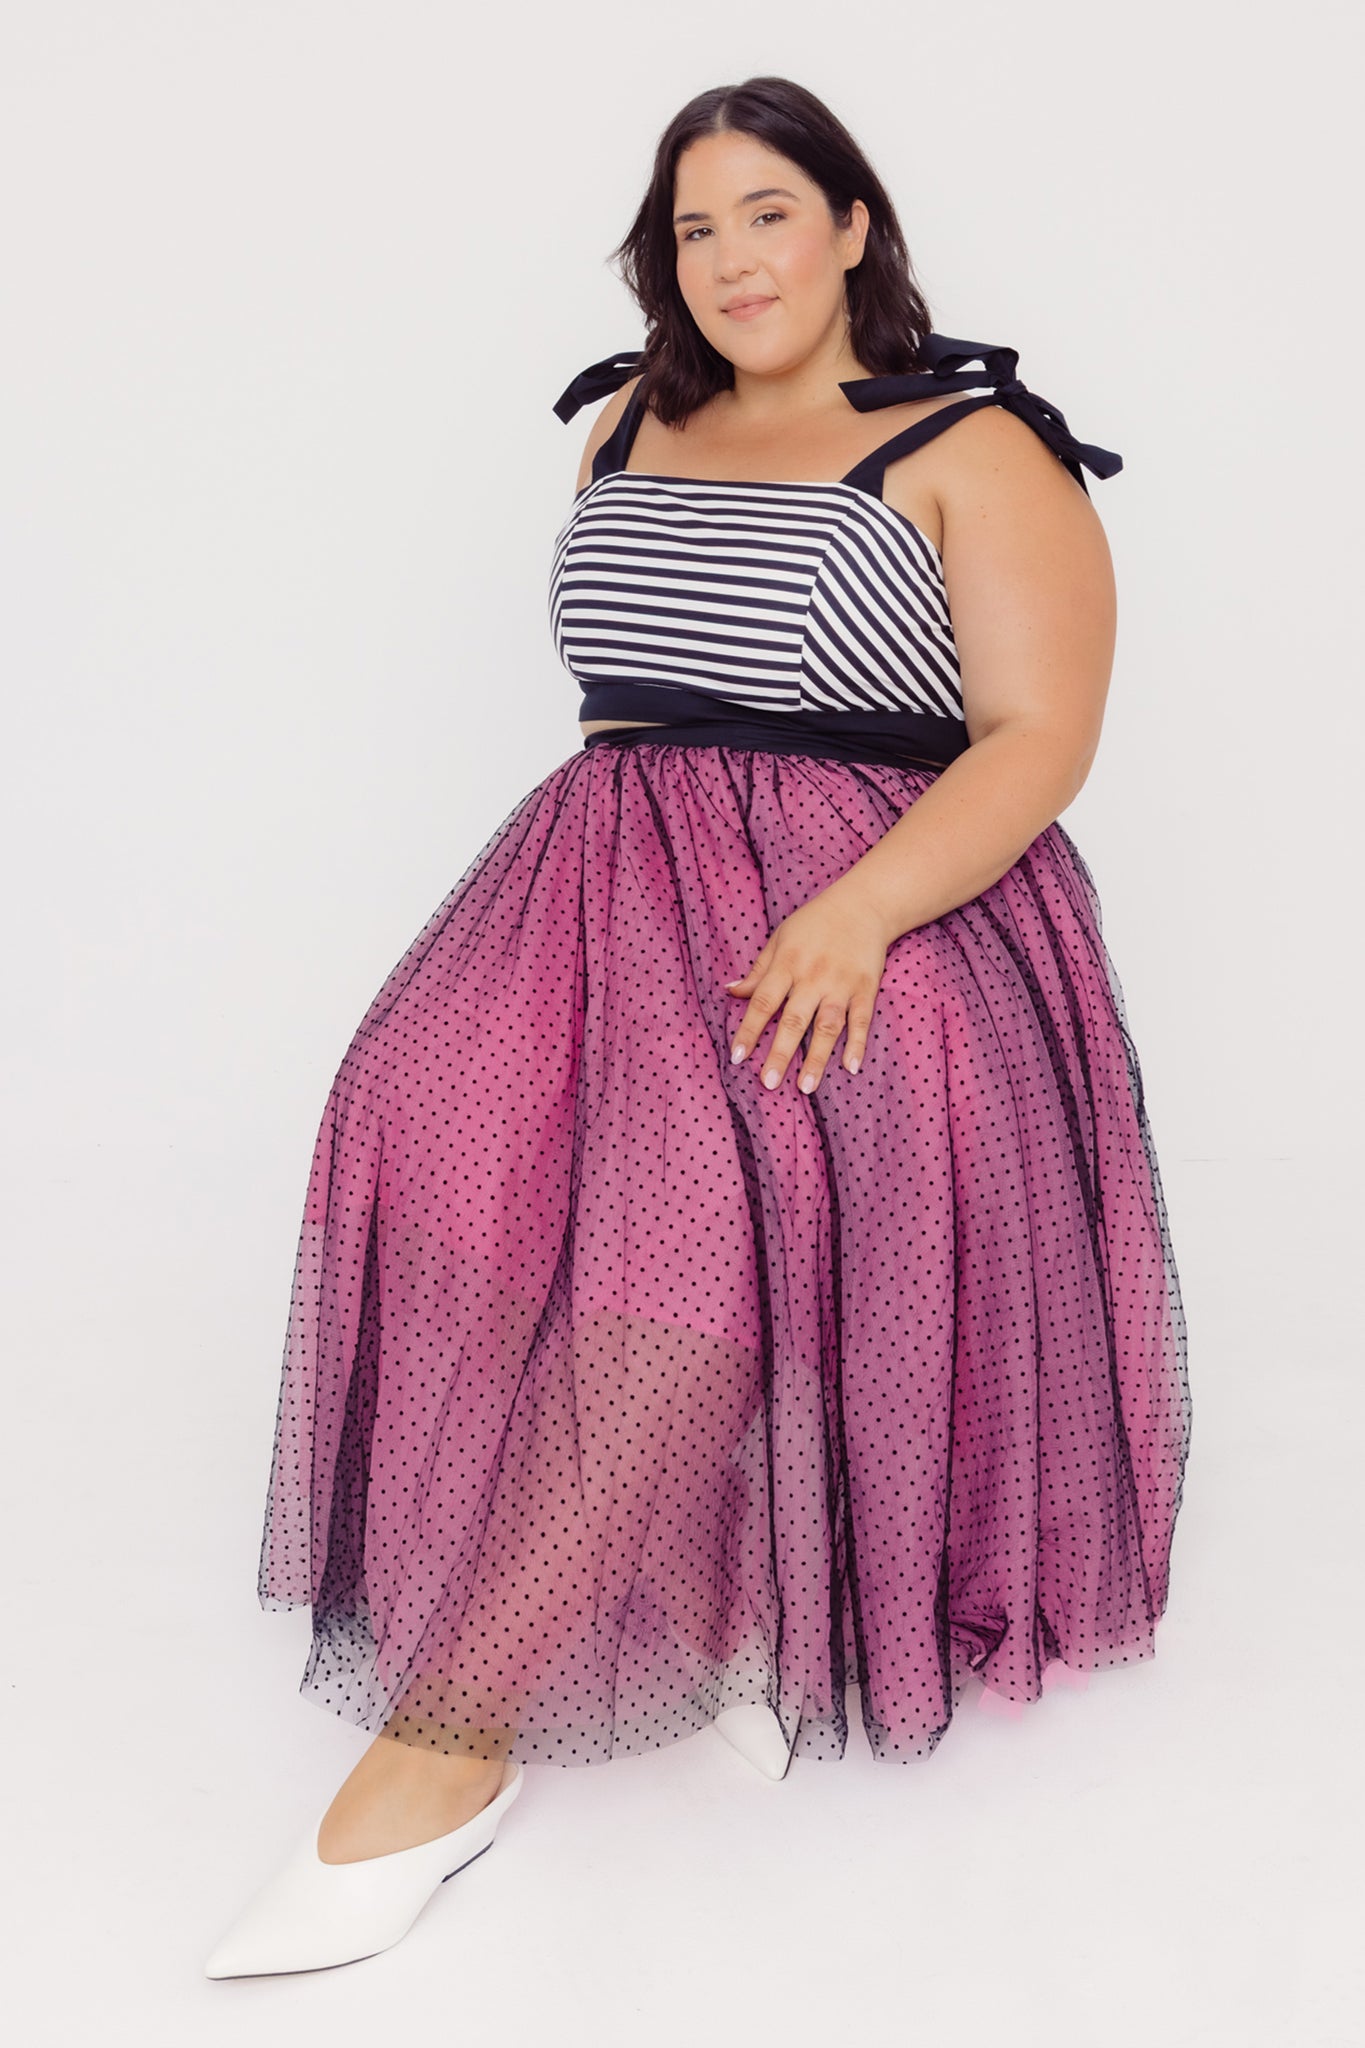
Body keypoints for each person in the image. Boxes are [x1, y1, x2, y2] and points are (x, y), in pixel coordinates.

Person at [206, 74, 1192, 1979]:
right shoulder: (622, 425)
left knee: (687, 1229)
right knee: (412, 1107)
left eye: (766, 213)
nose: (731, 257)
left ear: (848, 226)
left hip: (874, 899)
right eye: (692, 227)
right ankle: (695, 1562)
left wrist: (852, 910)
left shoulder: (974, 446)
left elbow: (1040, 743)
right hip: (606, 877)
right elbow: (627, 695)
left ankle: (451, 1740)